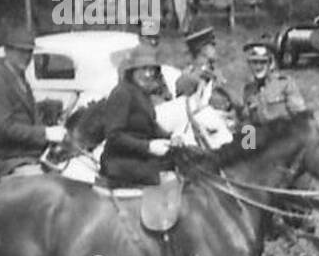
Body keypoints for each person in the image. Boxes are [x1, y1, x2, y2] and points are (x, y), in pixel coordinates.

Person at [0, 28, 67, 181]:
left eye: (29, 52)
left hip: (30, 158)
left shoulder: (22, 81)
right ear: (7, 51)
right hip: (7, 161)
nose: (26, 57)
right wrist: (45, 133)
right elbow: (3, 129)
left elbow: (31, 120)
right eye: (20, 52)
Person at [100, 44, 182, 186]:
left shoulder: (142, 93)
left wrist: (171, 138)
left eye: (151, 69)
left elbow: (150, 125)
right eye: (143, 69)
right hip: (121, 162)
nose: (148, 74)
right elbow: (114, 136)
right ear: (132, 70)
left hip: (141, 158)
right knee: (164, 180)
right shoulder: (122, 93)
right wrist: (148, 146)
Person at [174, 26, 241, 113]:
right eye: (212, 45)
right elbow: (181, 109)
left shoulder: (216, 73)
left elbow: (238, 103)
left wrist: (221, 85)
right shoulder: (188, 78)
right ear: (203, 50)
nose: (215, 49)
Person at [240, 40, 308, 124]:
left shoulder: (285, 84)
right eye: (254, 62)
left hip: (284, 134)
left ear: (271, 64)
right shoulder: (249, 90)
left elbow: (301, 117)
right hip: (260, 135)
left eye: (263, 62)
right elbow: (248, 123)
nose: (258, 67)